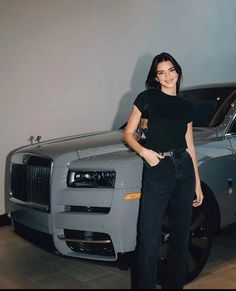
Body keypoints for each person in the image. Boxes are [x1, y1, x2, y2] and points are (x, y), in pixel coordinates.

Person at [123, 52, 204, 289]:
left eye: (171, 70)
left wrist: (197, 183)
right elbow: (128, 133)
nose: (167, 76)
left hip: (184, 170)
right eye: (161, 72)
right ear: (156, 77)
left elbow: (190, 145)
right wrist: (144, 152)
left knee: (181, 237)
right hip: (158, 169)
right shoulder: (146, 98)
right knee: (148, 238)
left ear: (177, 72)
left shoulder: (186, 106)